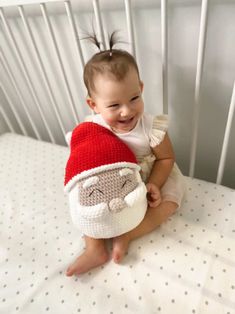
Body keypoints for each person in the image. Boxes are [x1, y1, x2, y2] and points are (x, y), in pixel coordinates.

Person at [66, 35, 186, 277]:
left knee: (172, 200)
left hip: (150, 175)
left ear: (141, 89)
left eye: (134, 98)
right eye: (113, 105)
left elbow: (166, 159)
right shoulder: (92, 128)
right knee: (90, 203)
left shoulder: (152, 128)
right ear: (94, 104)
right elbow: (84, 161)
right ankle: (95, 247)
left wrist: (155, 184)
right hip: (114, 181)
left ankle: (128, 233)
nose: (127, 110)